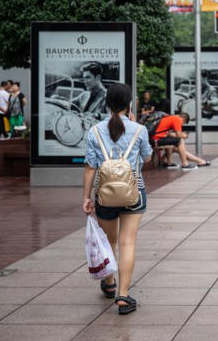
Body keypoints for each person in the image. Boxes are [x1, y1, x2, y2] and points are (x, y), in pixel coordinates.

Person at [82, 83, 152, 315]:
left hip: (104, 194)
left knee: (109, 240)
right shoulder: (139, 130)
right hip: (134, 193)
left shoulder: (94, 131)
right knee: (127, 242)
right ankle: (123, 295)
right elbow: (147, 158)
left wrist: (86, 197)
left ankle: (109, 282)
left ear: (107, 104)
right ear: (129, 104)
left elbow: (90, 167)